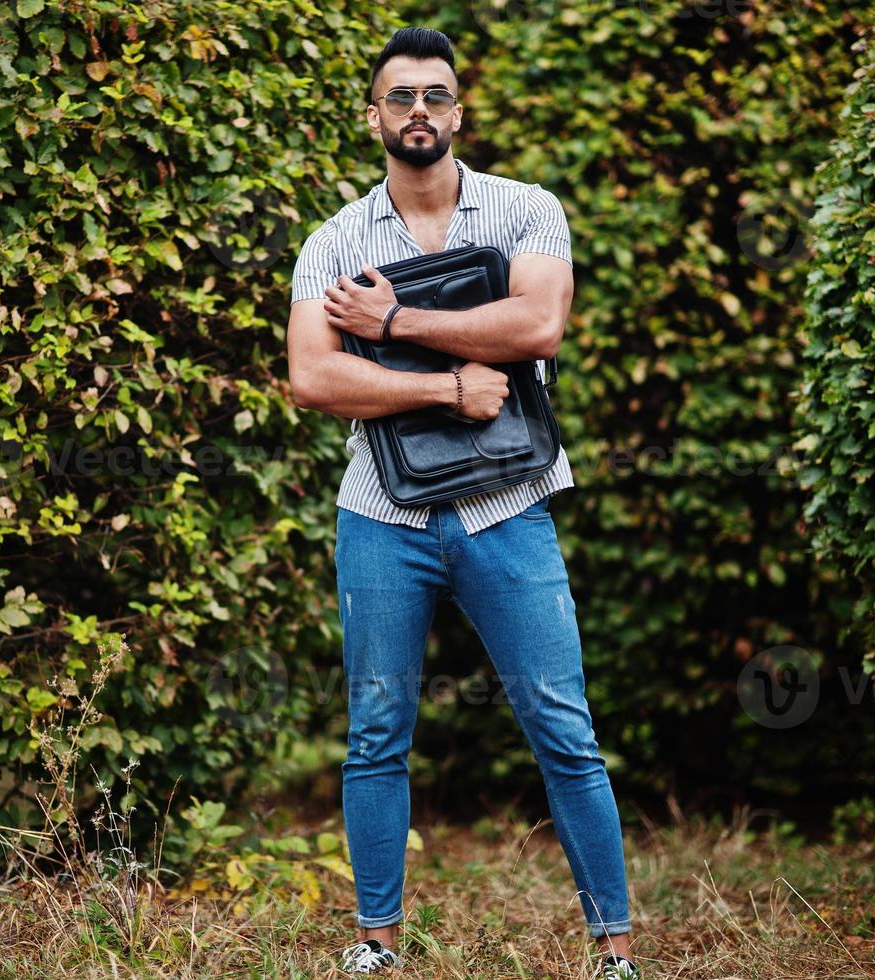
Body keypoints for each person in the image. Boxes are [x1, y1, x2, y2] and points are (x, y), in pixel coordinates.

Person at [284, 25, 641, 980]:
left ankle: (612, 952)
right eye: (399, 98)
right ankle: (375, 943)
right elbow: (314, 378)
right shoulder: (333, 241)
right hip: (381, 515)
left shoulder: (526, 210)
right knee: (375, 731)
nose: (417, 113)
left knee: (562, 726)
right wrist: (448, 386)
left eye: (434, 96)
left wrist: (392, 324)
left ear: (458, 111)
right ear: (373, 117)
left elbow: (537, 323)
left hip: (507, 506)